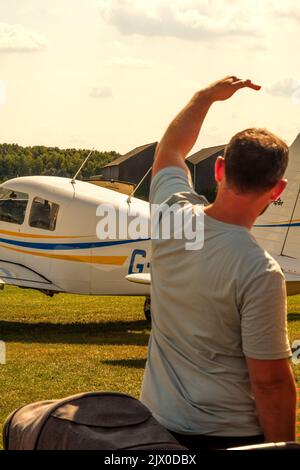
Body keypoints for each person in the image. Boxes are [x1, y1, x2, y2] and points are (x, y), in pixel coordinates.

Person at [140, 76, 297, 450]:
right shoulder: (260, 271)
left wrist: (204, 98)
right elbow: (271, 381)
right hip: (230, 436)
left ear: (220, 169)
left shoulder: (172, 216)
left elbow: (170, 150)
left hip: (158, 428)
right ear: (278, 190)